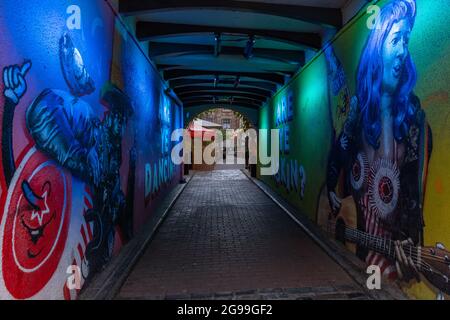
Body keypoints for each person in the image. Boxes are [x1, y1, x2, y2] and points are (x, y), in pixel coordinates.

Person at [326, 0, 432, 280]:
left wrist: (410, 244)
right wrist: (331, 192)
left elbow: (414, 204)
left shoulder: (415, 127)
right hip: (354, 247)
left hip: (389, 261)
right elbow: (338, 155)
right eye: (395, 39)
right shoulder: (359, 117)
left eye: (405, 41)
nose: (401, 51)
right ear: (377, 50)